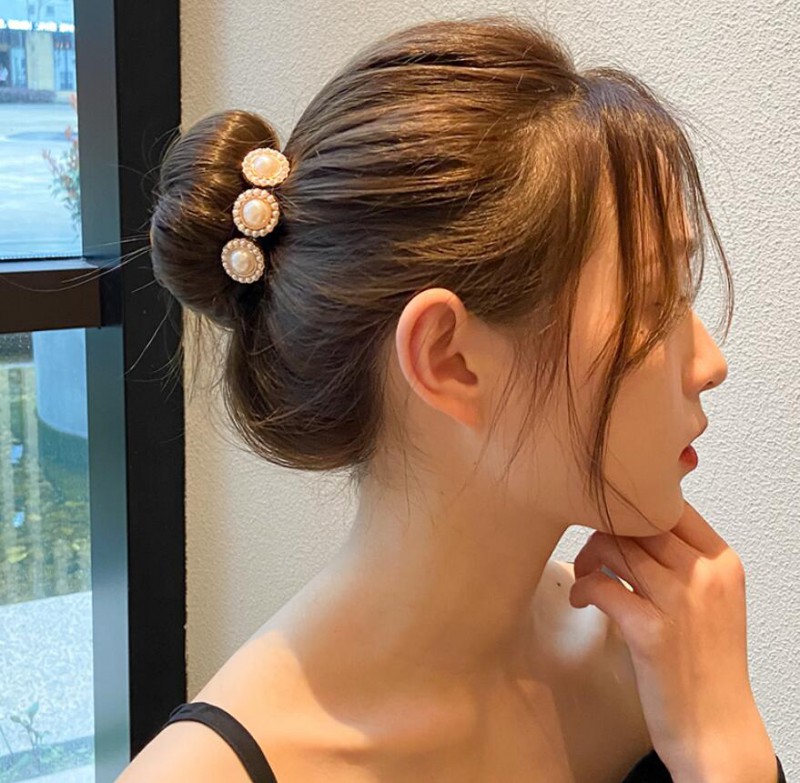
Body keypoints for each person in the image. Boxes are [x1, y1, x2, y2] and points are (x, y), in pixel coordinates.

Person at [128, 15, 786, 783]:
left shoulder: (656, 663)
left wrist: (728, 753)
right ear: (449, 360)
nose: (709, 362)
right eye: (652, 297)